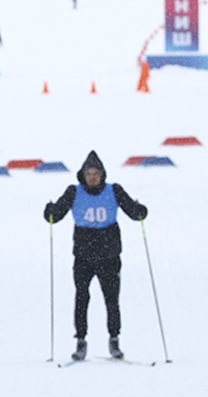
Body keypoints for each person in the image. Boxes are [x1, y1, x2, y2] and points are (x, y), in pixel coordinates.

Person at [43, 152, 148, 362]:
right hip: (84, 255)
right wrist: (50, 212)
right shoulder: (74, 192)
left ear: (102, 175)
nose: (92, 178)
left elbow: (132, 211)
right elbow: (57, 214)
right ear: (82, 175)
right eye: (89, 174)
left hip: (109, 254)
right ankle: (81, 341)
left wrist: (139, 211)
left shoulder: (114, 190)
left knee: (112, 299)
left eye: (96, 174)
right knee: (82, 297)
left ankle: (114, 340)